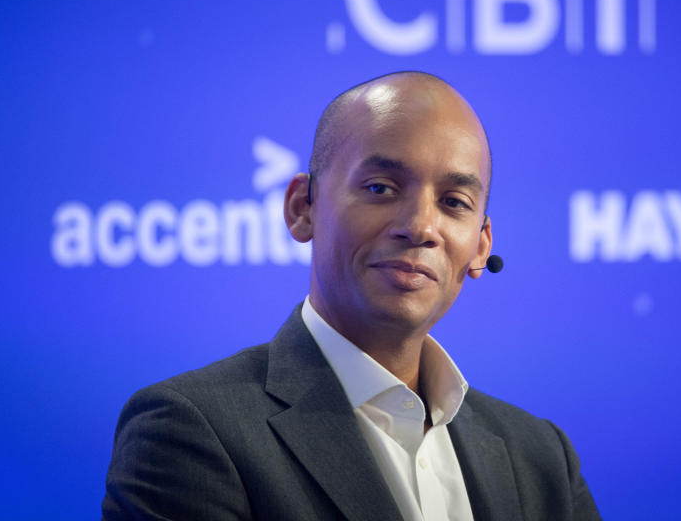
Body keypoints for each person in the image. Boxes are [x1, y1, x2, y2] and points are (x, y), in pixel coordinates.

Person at [102, 71, 602, 520]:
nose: (421, 227)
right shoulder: (189, 432)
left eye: (454, 202)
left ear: (480, 246)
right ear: (303, 207)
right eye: (382, 188)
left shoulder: (540, 458)